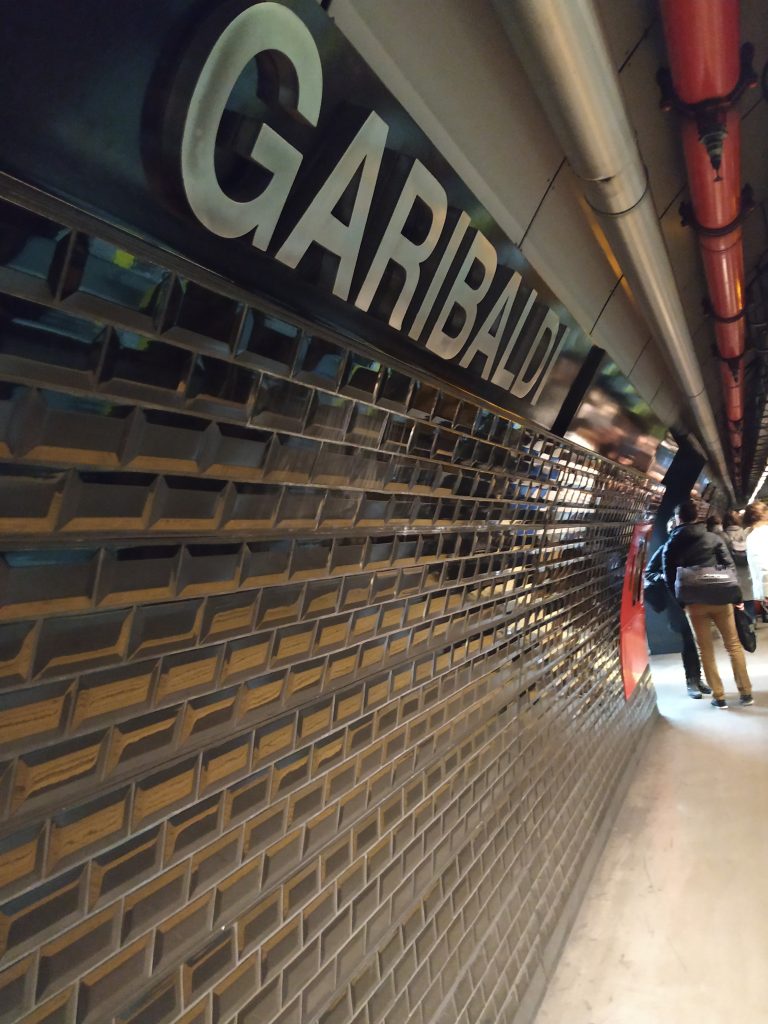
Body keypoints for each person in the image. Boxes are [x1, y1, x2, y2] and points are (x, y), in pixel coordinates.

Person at [663, 499, 754, 709]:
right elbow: (729, 566)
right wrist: (736, 597)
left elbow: (669, 576)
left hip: (694, 602)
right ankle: (746, 693)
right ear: (698, 517)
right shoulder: (713, 538)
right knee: (732, 645)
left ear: (678, 518)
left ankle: (719, 696)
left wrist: (681, 602)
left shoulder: (672, 543)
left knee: (705, 650)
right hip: (721, 598)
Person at [644, 515, 709, 699]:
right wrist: (665, 578)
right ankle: (692, 681)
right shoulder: (666, 548)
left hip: (695, 599)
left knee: (697, 642)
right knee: (688, 642)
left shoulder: (694, 547)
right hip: (677, 602)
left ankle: (698, 679)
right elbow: (650, 572)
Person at [723, 509, 754, 622]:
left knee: (736, 602)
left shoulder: (722, 536)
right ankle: (751, 622)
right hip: (747, 570)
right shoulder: (746, 533)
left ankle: (742, 624)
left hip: (731, 573)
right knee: (749, 599)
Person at [744, 501, 768, 622]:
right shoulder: (760, 534)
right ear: (763, 514)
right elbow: (764, 566)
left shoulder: (753, 536)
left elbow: (762, 565)